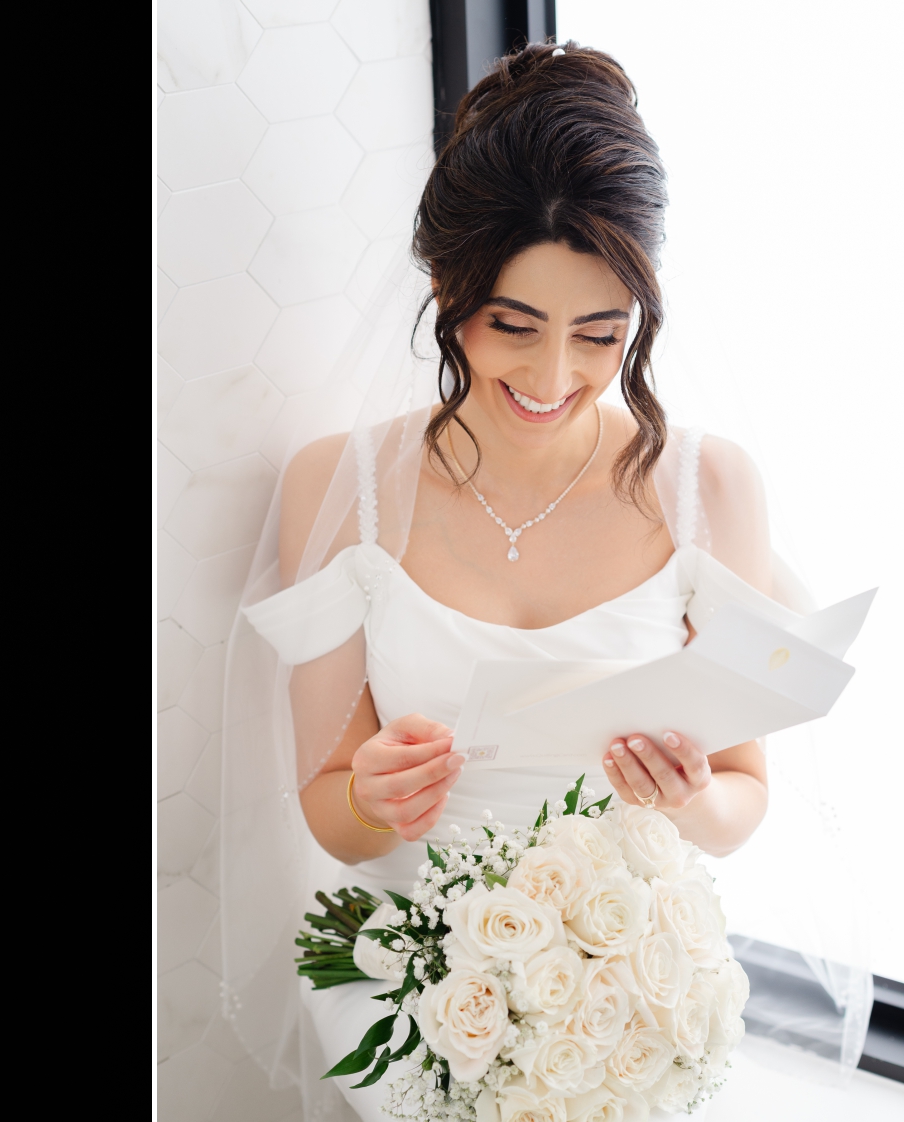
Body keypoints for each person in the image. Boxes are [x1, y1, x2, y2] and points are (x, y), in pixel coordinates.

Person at [220, 42, 810, 1121]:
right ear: (448, 290)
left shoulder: (707, 488)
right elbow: (330, 813)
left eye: (600, 335)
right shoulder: (340, 486)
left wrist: (691, 802)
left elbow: (743, 799)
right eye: (513, 327)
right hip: (410, 996)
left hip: (624, 998)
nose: (552, 380)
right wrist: (370, 794)